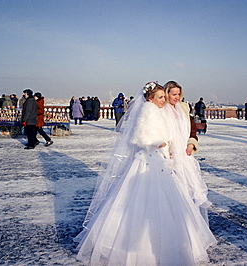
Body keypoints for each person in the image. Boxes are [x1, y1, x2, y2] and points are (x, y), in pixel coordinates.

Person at [75, 82, 217, 265]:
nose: (164, 101)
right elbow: (140, 137)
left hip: (160, 160)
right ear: (150, 97)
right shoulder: (148, 111)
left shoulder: (159, 110)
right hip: (151, 160)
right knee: (147, 202)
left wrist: (169, 146)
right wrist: (161, 144)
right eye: (161, 97)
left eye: (164, 97)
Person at [163, 81, 211, 223]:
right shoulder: (161, 109)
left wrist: (191, 143)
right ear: (167, 94)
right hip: (170, 156)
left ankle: (190, 223)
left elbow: (193, 129)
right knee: (174, 192)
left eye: (179, 94)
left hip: (185, 155)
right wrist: (165, 150)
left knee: (190, 190)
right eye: (174, 94)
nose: (177, 97)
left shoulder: (183, 108)